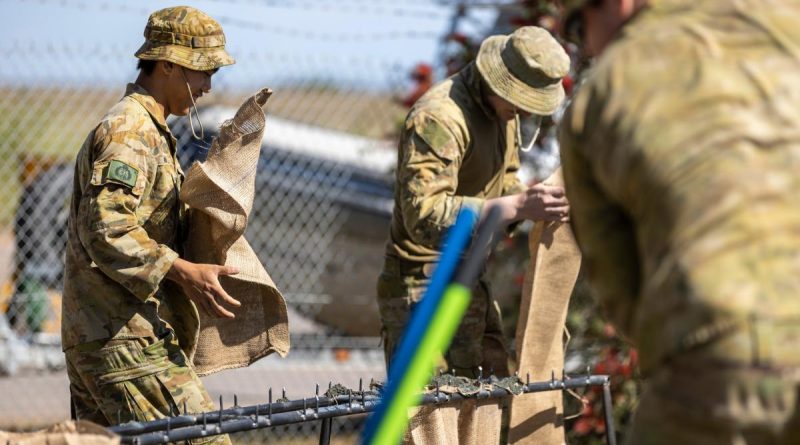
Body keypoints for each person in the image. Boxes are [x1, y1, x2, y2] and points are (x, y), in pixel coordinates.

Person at [559, 0, 800, 443]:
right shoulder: (782, 19)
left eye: (577, 26)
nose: (585, 49)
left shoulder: (597, 101)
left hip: (729, 361)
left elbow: (627, 296)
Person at [62, 7, 239, 443]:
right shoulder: (129, 131)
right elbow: (106, 227)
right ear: (167, 65)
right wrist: (184, 271)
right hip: (124, 338)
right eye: (203, 71)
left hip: (112, 335)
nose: (208, 86)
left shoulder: (150, 129)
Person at [378, 26, 571, 379]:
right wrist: (518, 207)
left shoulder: (503, 113)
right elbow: (423, 216)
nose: (525, 113)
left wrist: (538, 198)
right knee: (431, 417)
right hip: (423, 289)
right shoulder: (439, 119)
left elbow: (505, 177)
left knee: (484, 400)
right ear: (500, 82)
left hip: (470, 277)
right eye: (522, 101)